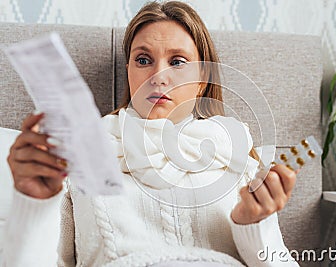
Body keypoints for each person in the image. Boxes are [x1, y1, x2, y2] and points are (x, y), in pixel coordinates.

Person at [2, 1, 299, 267]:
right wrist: (34, 204)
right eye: (144, 60)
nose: (158, 77)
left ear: (202, 78)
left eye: (178, 62)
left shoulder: (238, 158)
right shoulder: (74, 158)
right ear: (129, 71)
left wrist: (255, 227)